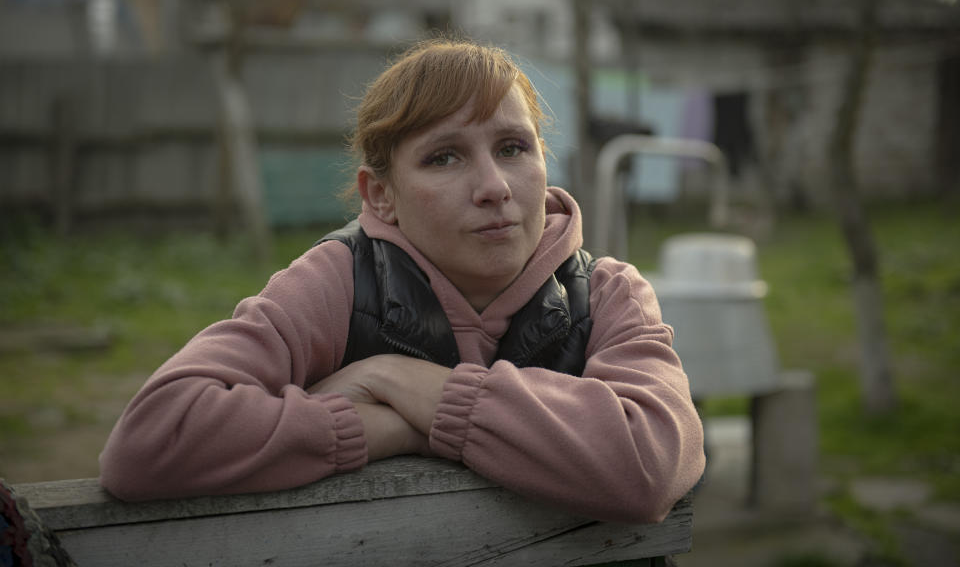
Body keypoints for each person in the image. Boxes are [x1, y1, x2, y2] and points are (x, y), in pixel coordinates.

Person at [99, 38, 705, 524]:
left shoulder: (605, 292)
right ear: (382, 196)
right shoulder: (340, 280)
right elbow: (150, 442)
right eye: (445, 156)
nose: (494, 185)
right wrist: (376, 429)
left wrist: (407, 386)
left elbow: (650, 466)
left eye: (513, 147)